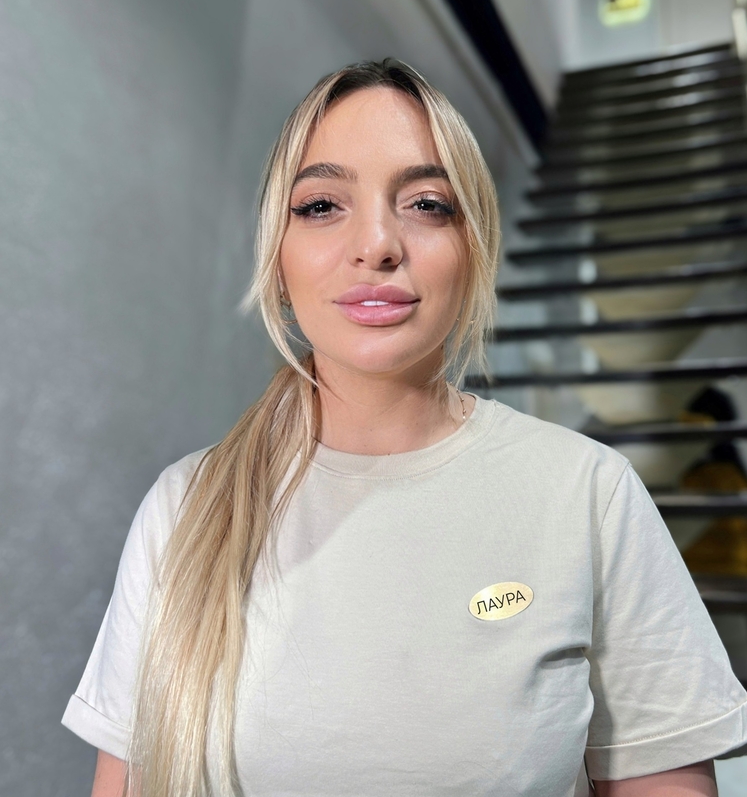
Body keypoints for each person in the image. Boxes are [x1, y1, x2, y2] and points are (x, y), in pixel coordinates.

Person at [62, 60, 747, 797]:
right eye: (321, 205)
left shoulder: (588, 493)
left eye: (426, 204)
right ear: (277, 259)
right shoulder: (184, 508)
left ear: (473, 248)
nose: (377, 244)